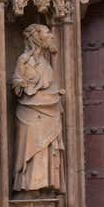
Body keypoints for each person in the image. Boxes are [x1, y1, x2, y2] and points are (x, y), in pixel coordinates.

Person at [13, 24, 64, 192]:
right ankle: (29, 187)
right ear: (37, 37)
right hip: (31, 113)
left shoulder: (47, 63)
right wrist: (20, 84)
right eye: (47, 32)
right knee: (32, 149)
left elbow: (53, 83)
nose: (51, 36)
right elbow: (17, 83)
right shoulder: (25, 60)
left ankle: (45, 184)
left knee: (46, 148)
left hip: (49, 112)